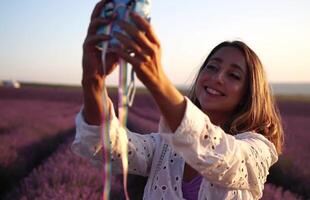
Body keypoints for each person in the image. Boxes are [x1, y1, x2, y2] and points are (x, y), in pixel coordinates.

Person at [72, 0, 284, 199]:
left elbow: (224, 159)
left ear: (248, 94)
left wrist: (156, 79)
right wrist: (93, 81)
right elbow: (107, 146)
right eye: (212, 67)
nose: (217, 78)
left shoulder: (257, 150)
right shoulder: (164, 146)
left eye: (233, 75)